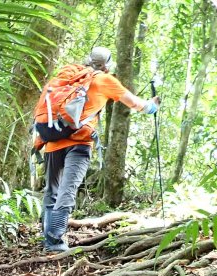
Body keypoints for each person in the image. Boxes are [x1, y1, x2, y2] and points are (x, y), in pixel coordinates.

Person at [38, 46, 159, 252]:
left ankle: (48, 237)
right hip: (79, 143)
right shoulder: (105, 80)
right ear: (107, 65)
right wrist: (152, 105)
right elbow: (136, 104)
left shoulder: (68, 76)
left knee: (52, 190)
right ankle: (55, 242)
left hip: (51, 140)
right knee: (68, 190)